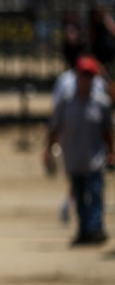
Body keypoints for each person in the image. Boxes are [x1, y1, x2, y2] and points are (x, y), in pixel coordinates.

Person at [45, 55, 112, 246]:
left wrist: (111, 151)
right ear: (77, 76)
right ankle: (84, 231)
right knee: (81, 197)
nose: (86, 80)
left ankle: (96, 229)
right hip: (74, 158)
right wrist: (48, 150)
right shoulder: (66, 101)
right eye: (84, 75)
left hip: (95, 158)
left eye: (90, 76)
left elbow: (108, 130)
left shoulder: (101, 102)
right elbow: (54, 127)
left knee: (96, 193)